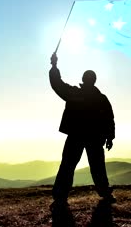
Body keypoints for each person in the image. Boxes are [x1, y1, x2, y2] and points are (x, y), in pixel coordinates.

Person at [49, 53, 116, 208]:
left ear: (84, 79)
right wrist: (110, 137)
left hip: (76, 135)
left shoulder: (75, 94)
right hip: (94, 137)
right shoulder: (101, 98)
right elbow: (109, 119)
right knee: (96, 166)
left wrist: (54, 66)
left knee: (68, 165)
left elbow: (57, 84)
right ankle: (105, 193)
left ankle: (60, 195)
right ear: (93, 80)